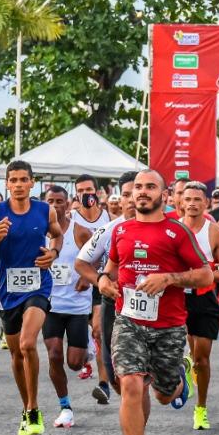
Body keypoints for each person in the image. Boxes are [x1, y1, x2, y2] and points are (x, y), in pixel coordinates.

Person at [100, 169, 212, 435]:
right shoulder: (120, 230)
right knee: (131, 383)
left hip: (168, 327)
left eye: (151, 187)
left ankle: (179, 380)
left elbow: (205, 277)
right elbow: (109, 271)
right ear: (131, 195)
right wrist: (103, 282)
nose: (143, 192)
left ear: (164, 195)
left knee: (164, 395)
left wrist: (169, 279)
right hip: (129, 321)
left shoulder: (176, 233)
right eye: (138, 188)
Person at [0, 160, 62, 435]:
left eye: (24, 179)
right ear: (7, 184)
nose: (19, 185)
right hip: (8, 293)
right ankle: (26, 408)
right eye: (14, 180)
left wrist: (54, 254)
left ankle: (34, 408)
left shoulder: (44, 210)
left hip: (38, 287)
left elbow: (58, 236)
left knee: (27, 343)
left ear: (32, 183)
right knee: (15, 354)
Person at [75, 171, 138, 405]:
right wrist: (100, 280)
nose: (132, 199)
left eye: (136, 193)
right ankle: (106, 382)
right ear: (119, 199)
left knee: (151, 381)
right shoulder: (109, 229)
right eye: (126, 194)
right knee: (121, 377)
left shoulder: (166, 227)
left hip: (152, 307)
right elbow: (81, 263)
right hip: (114, 298)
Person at [42, 186, 94, 428]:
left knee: (74, 363)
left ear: (68, 203)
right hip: (50, 304)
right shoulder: (39, 232)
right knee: (53, 354)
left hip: (76, 306)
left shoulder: (80, 232)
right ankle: (65, 407)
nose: (55, 205)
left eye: (59, 201)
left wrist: (88, 277)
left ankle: (88, 347)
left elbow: (101, 256)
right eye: (50, 201)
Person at [180, 181, 219, 431]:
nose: (192, 203)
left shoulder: (214, 232)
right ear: (181, 202)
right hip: (176, 298)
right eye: (188, 199)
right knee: (178, 350)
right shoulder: (173, 229)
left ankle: (200, 408)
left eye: (197, 199)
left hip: (204, 299)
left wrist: (205, 275)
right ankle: (184, 369)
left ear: (206, 203)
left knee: (202, 358)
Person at [71, 174, 112, 390]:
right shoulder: (72, 218)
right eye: (81, 190)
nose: (86, 194)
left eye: (89, 190)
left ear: (97, 192)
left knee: (98, 330)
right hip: (75, 284)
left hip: (98, 281)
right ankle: (88, 355)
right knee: (87, 334)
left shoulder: (108, 217)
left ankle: (104, 383)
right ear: (76, 193)